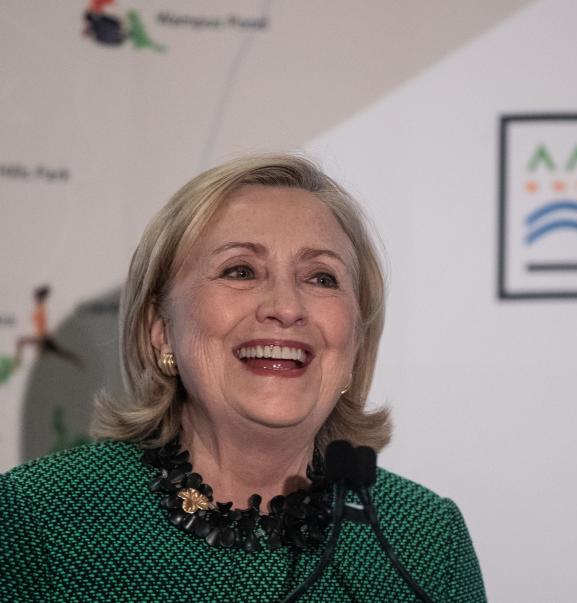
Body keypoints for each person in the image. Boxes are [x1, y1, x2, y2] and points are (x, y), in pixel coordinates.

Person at [0, 154, 486, 602]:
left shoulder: (426, 541)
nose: (286, 308)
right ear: (161, 329)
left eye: (321, 278)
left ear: (356, 340)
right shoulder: (35, 519)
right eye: (240, 270)